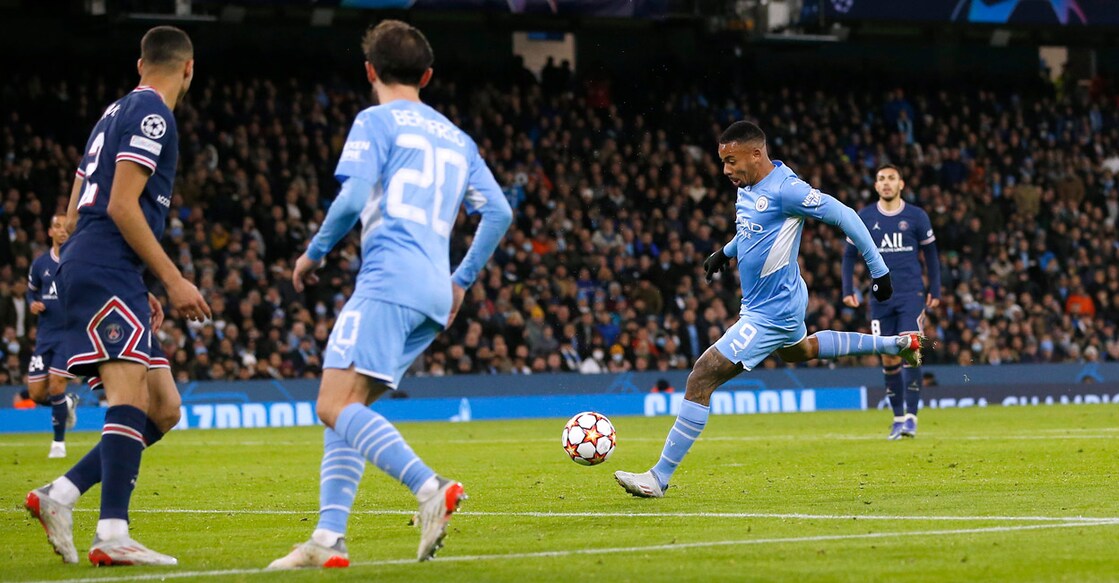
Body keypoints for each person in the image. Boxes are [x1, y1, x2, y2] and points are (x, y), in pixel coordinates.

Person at [268, 20, 512, 569]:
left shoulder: (374, 120)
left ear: (370, 71)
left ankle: (431, 490)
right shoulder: (458, 137)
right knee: (347, 408)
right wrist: (462, 280)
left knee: (331, 405)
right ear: (426, 75)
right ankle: (328, 540)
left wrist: (314, 253)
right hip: (433, 288)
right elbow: (499, 211)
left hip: (388, 279)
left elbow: (353, 198)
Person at [614, 121, 926, 498]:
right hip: (779, 300)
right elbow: (752, 230)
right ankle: (896, 345)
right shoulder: (748, 188)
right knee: (800, 350)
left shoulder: (786, 190)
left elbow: (845, 215)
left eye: (731, 160)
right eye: (723, 161)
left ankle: (658, 477)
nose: (726, 169)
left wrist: (879, 270)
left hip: (770, 311)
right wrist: (724, 253)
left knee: (702, 377)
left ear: (756, 154)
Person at [25, 26, 209, 567]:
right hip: (106, 262)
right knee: (128, 395)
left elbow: (78, 201)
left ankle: (58, 495)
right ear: (189, 68)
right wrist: (173, 280)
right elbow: (123, 207)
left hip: (106, 264)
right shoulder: (154, 116)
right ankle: (112, 532)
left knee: (166, 408)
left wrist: (140, 283)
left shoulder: (112, 113)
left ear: (139, 64)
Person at [842, 164, 941, 440]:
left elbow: (931, 255)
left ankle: (911, 417)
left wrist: (936, 288)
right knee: (887, 356)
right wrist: (847, 288)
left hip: (911, 294)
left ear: (901, 184)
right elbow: (849, 254)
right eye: (881, 179)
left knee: (910, 348)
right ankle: (897, 418)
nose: (886, 183)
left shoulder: (916, 216)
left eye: (891, 179)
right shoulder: (865, 216)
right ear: (875, 186)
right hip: (880, 297)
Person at [22, 214, 79, 458]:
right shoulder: (40, 264)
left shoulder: (79, 261)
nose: (62, 231)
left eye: (67, 227)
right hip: (45, 335)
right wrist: (33, 303)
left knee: (56, 384)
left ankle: (58, 445)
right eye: (57, 226)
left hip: (70, 334)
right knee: (36, 393)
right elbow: (30, 292)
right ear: (50, 232)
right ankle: (66, 404)